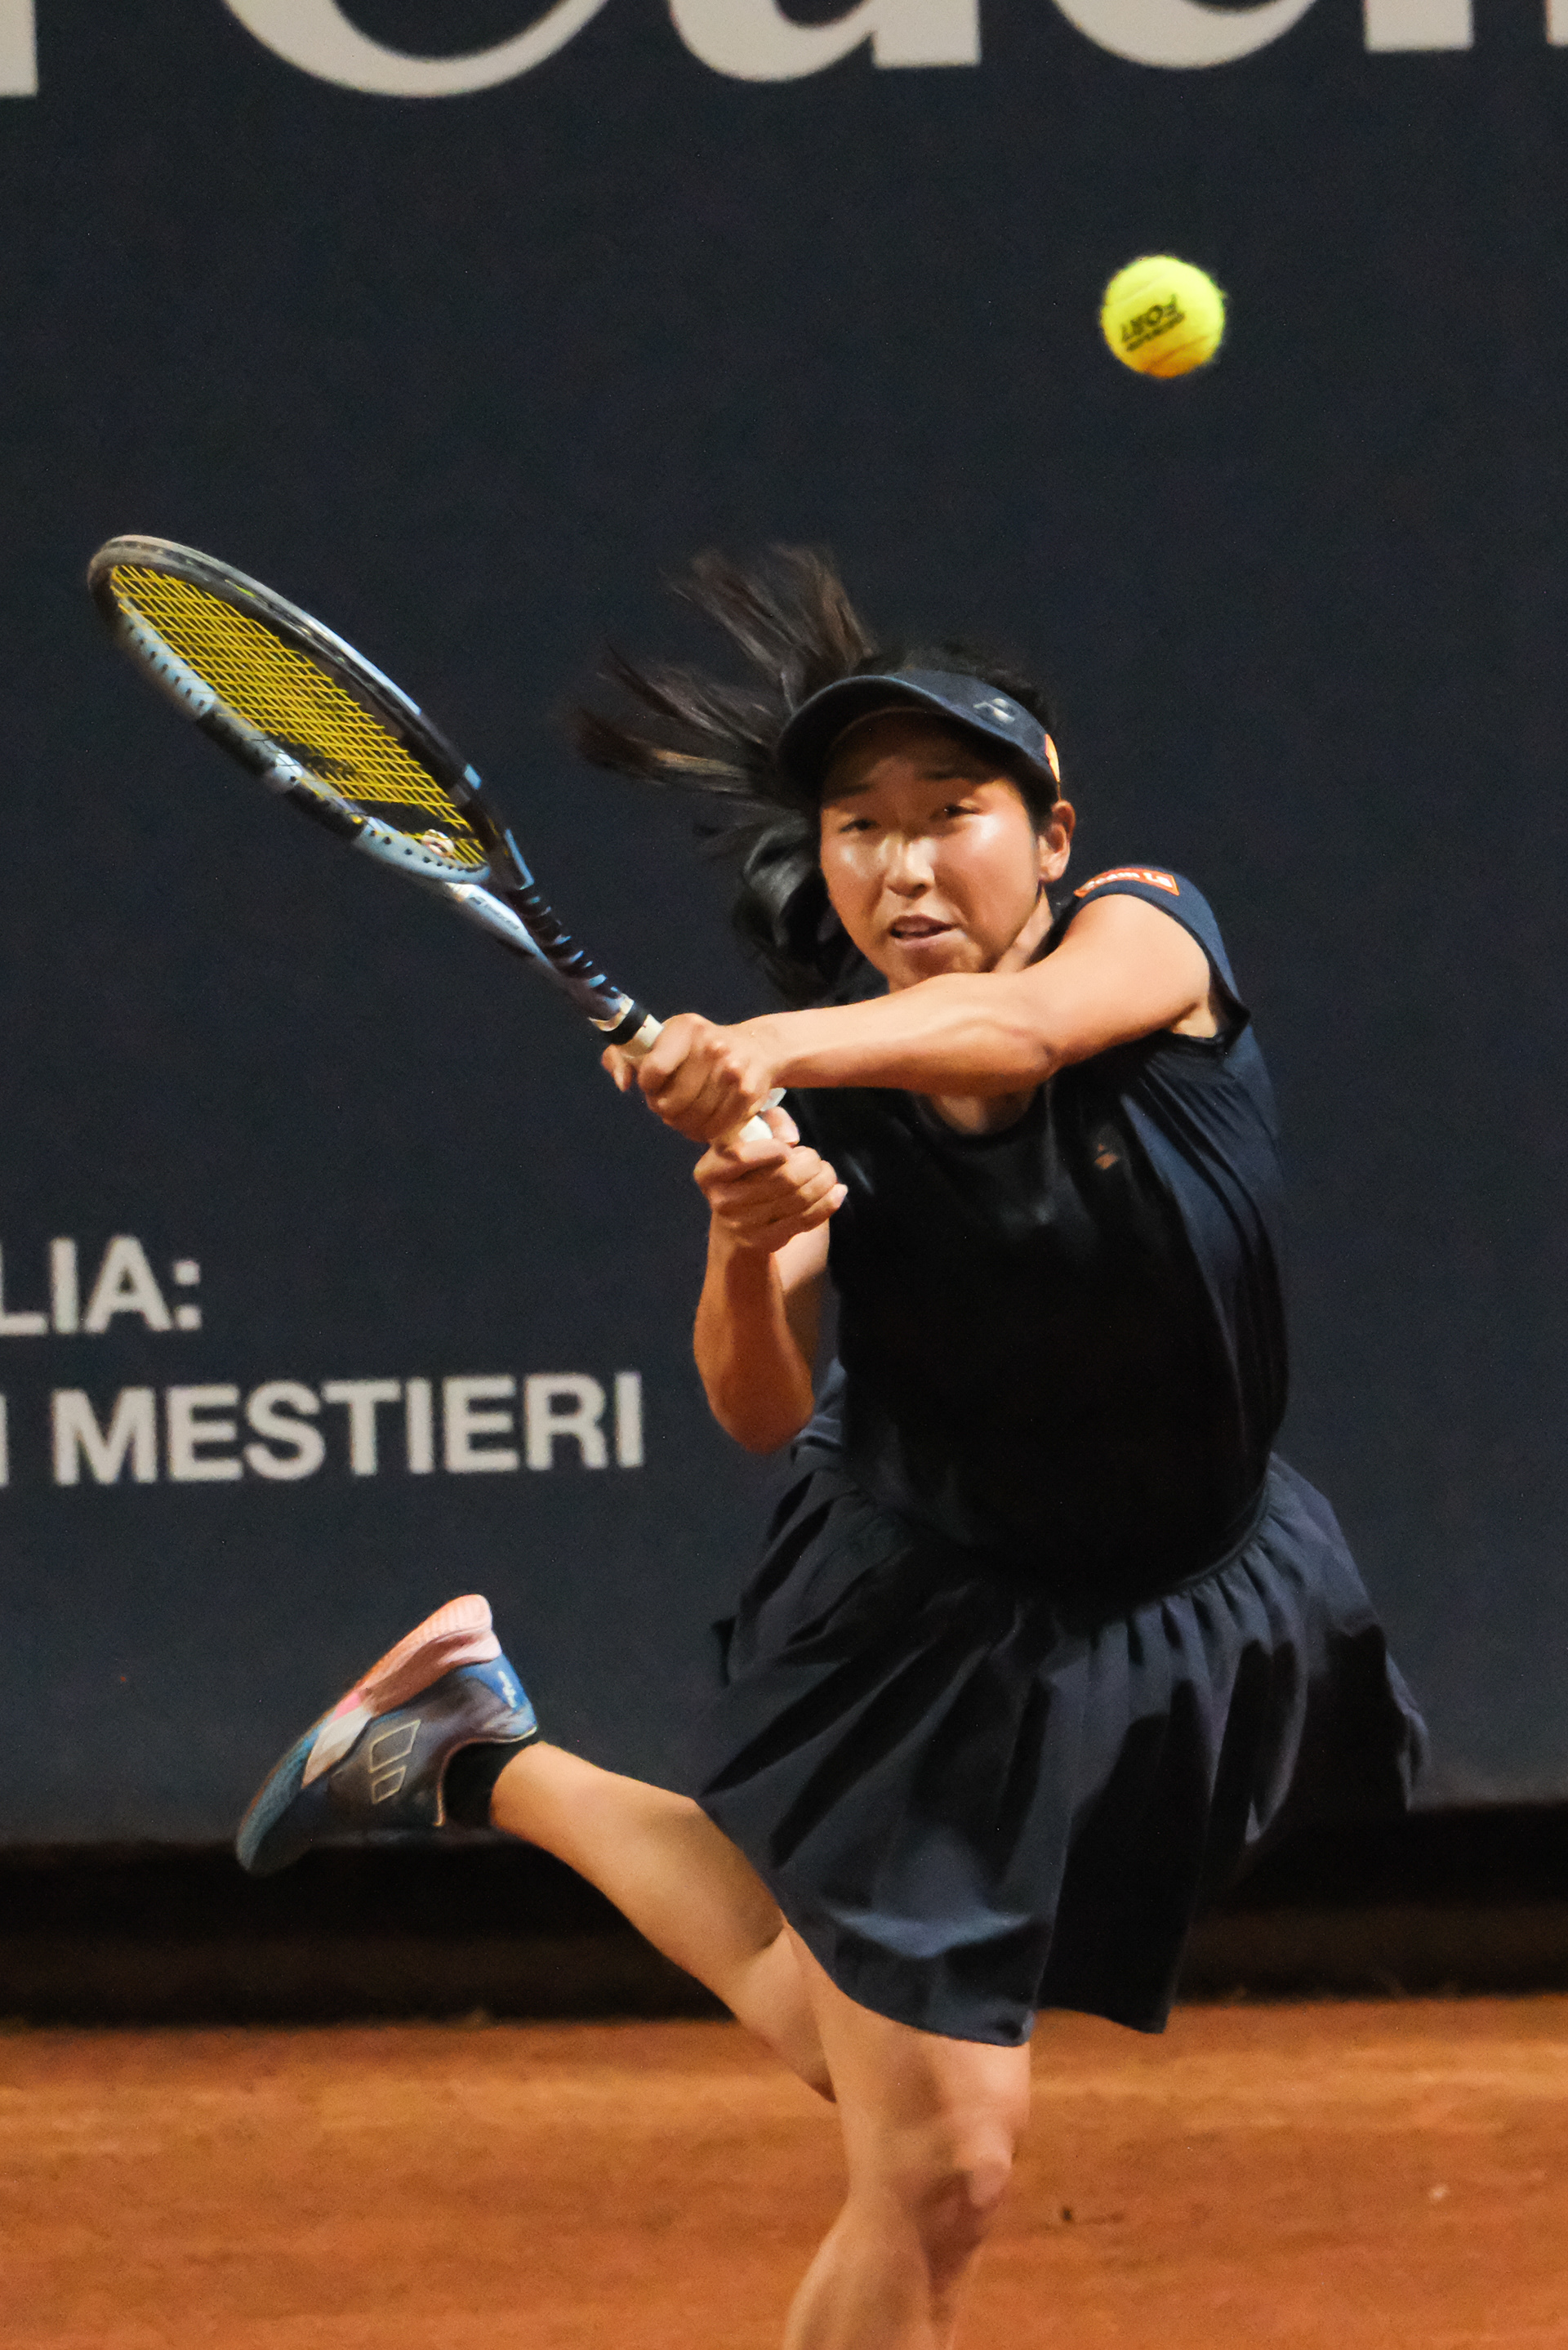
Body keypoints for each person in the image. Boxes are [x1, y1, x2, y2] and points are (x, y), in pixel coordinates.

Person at [238, 551, 1426, 2350]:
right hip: (939, 1620)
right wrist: (748, 1227)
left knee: (857, 2046)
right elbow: (756, 1405)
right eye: (860, 826)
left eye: (953, 811)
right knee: (942, 2164)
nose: (905, 861)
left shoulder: (1148, 931)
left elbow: (1025, 1031)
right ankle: (475, 1753)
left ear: (1052, 838)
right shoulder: (821, 1129)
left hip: (1194, 1583)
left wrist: (767, 1046)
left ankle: (475, 1750)